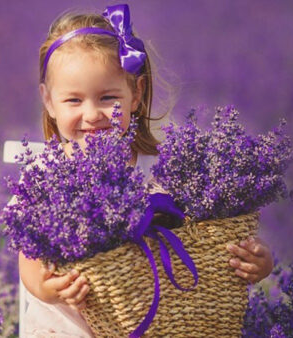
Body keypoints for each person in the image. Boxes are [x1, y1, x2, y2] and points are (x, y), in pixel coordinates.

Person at [17, 4, 274, 337]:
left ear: (135, 94)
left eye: (109, 97)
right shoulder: (45, 175)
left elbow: (207, 238)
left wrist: (257, 261)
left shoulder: (165, 171)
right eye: (74, 101)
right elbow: (28, 254)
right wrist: (44, 286)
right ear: (49, 102)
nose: (93, 114)